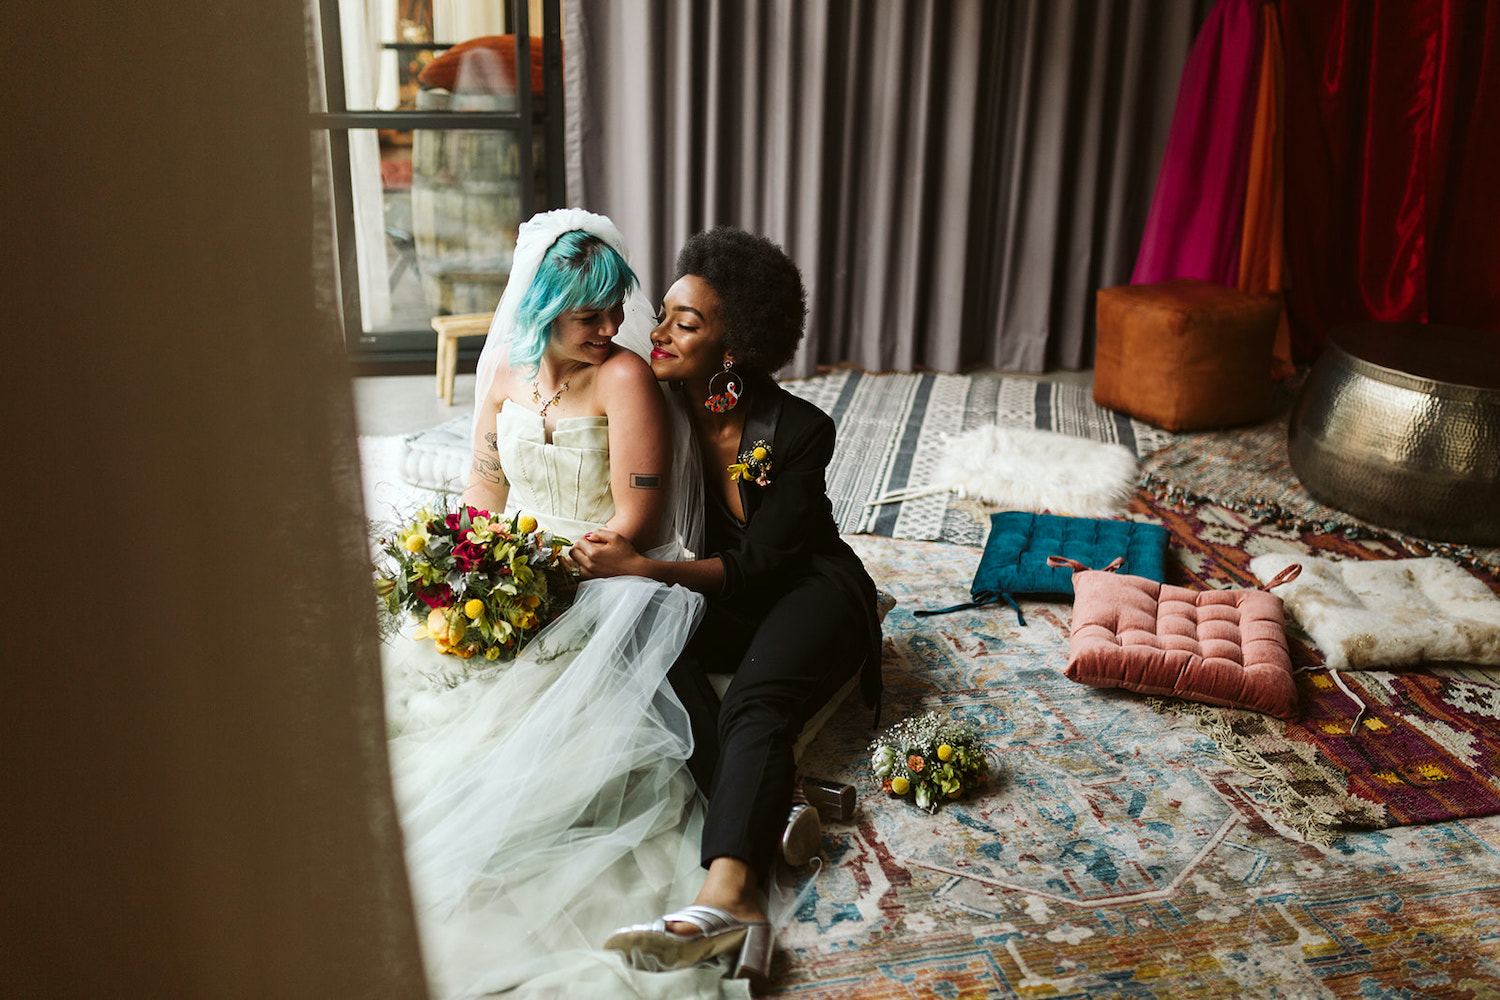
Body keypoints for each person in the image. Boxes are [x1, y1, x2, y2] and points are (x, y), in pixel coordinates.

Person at [380, 209, 728, 1000]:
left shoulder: (624, 377)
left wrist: (552, 572)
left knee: (547, 732)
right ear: (541, 309)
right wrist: (470, 552)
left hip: (600, 569)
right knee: (431, 682)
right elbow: (486, 482)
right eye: (587, 316)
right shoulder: (505, 370)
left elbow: (635, 515)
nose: (609, 327)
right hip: (517, 561)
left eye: (615, 310)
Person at [575, 227, 883, 992]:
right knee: (633, 634)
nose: (660, 333)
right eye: (666, 315)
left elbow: (765, 565)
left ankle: (730, 899)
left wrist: (647, 565)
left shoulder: (801, 429)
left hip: (812, 591)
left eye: (687, 322)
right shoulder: (658, 405)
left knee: (754, 705)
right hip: (726, 596)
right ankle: (781, 808)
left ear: (735, 346)